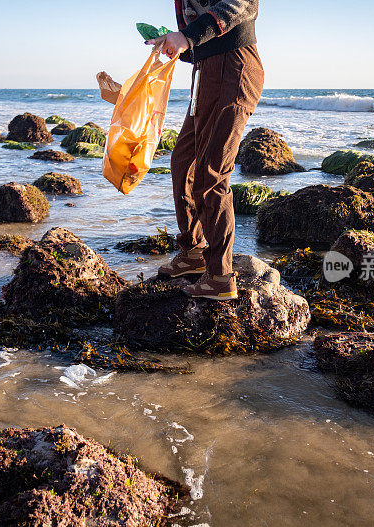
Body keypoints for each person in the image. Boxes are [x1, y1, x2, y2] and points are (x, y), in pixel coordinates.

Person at [147, 0, 263, 301]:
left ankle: (220, 276)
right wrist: (176, 41)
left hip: (233, 69)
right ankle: (193, 252)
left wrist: (187, 36)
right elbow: (200, 40)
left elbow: (242, 3)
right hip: (206, 74)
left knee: (211, 174)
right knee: (183, 161)